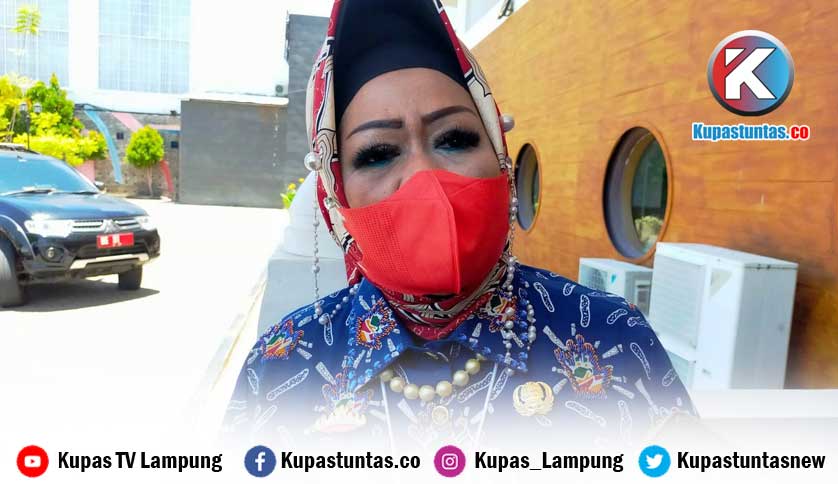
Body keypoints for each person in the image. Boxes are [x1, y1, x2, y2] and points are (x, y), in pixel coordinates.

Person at [222, 0, 696, 453]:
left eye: (454, 139)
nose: (426, 177)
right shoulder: (282, 365)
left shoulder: (612, 338)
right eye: (378, 154)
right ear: (336, 192)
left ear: (500, 156)